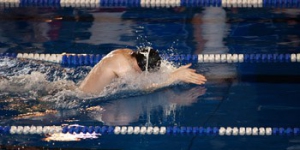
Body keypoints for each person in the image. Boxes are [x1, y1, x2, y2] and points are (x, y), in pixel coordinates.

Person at [79, 47, 207, 94]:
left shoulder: (129, 53)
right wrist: (174, 76)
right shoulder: (122, 66)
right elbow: (145, 88)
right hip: (86, 96)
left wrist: (175, 71)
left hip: (80, 87)